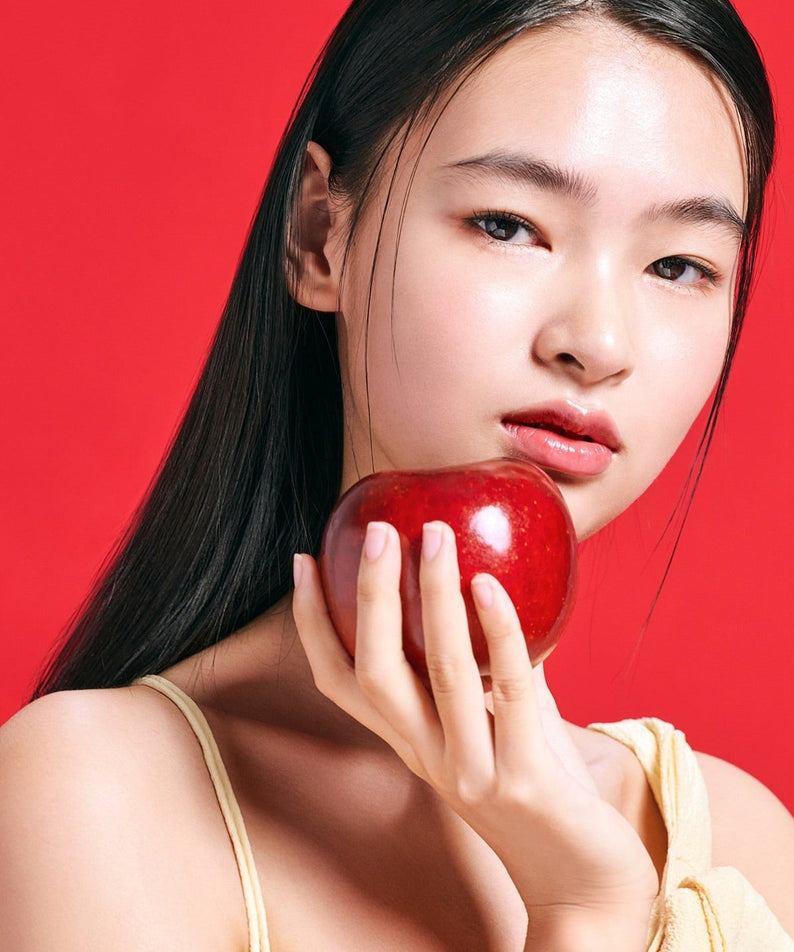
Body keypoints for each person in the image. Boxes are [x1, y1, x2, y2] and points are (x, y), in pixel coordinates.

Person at [1, 0, 792, 949]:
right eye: (507, 224)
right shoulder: (97, 796)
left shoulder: (740, 842)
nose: (598, 343)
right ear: (319, 233)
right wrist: (583, 912)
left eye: (678, 265)